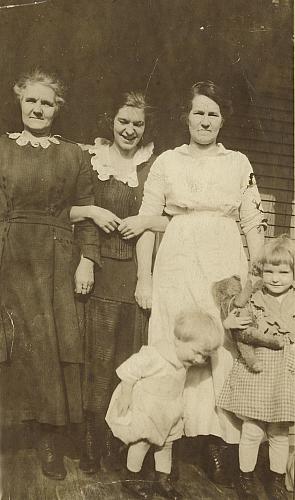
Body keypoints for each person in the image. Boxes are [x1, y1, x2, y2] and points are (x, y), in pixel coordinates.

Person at [135, 81, 267, 484]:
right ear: (185, 116)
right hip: (176, 260)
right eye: (198, 112)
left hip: (224, 263)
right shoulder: (167, 162)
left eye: (212, 113)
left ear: (222, 119)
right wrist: (144, 277)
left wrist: (255, 280)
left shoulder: (238, 162)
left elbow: (253, 224)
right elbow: (145, 221)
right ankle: (164, 447)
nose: (205, 120)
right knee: (172, 346)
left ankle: (220, 447)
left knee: (225, 350)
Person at [0, 69, 100, 480]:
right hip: (11, 254)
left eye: (47, 103)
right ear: (20, 102)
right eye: (31, 101)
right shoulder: (2, 148)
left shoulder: (73, 154)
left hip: (58, 259)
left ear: (57, 108)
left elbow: (88, 210)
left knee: (51, 350)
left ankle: (48, 441)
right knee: (12, 342)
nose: (38, 109)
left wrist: (88, 259)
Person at [70, 90, 169, 474]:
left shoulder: (154, 165)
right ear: (110, 120)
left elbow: (169, 219)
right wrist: (88, 260)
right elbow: (77, 213)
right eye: (123, 121)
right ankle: (92, 443)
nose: (130, 130)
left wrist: (143, 224)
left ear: (146, 128)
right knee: (99, 358)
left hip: (137, 275)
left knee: (130, 360)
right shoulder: (92, 160)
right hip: (100, 271)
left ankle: (120, 442)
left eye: (138, 124)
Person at [106, 307, 223, 500]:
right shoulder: (155, 355)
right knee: (141, 443)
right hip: (147, 408)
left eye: (204, 356)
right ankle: (132, 479)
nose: (199, 360)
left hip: (168, 410)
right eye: (197, 353)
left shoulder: (184, 361)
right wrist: (126, 395)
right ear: (179, 339)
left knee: (166, 445)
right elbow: (129, 370)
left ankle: (163, 480)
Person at [218, 235, 295, 500]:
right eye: (269, 271)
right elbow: (238, 331)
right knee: (252, 428)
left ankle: (276, 479)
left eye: (283, 272)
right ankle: (245, 477)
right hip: (257, 371)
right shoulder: (253, 299)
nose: (275, 278)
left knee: (279, 431)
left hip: (286, 374)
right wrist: (229, 323)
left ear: (293, 275)